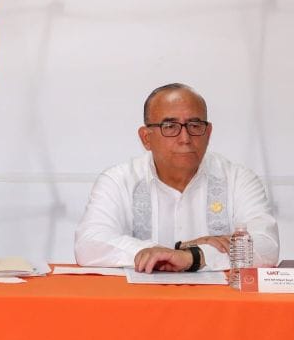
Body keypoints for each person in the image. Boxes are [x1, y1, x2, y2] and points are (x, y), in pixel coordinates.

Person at [75, 83, 279, 273]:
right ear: (146, 138)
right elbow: (89, 244)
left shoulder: (238, 179)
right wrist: (171, 252)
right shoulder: (119, 180)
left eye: (195, 125)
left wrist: (194, 256)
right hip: (139, 299)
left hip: (218, 300)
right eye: (170, 126)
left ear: (208, 133)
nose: (185, 138)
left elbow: (267, 246)